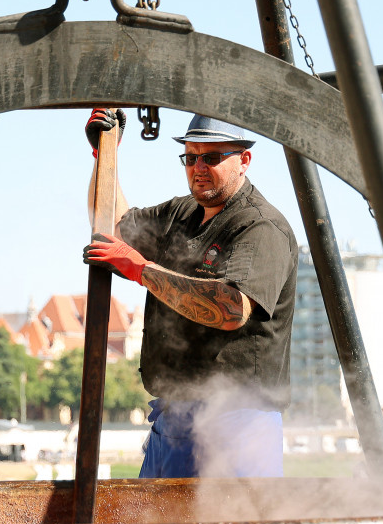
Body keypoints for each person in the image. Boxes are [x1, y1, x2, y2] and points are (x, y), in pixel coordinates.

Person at [83, 110, 298, 478]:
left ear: (244, 160)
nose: (198, 167)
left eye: (212, 157)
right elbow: (113, 228)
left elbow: (231, 308)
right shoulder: (182, 213)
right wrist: (106, 156)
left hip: (237, 424)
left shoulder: (260, 227)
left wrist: (142, 270)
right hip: (173, 418)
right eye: (191, 157)